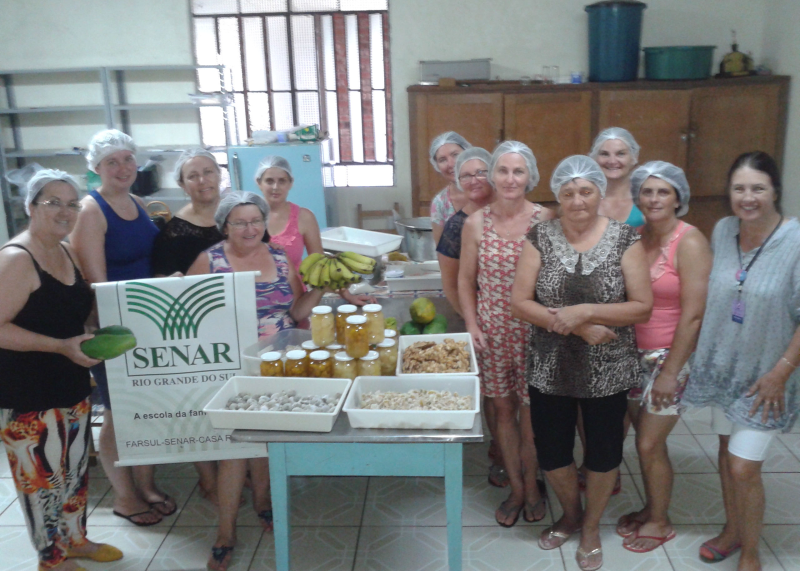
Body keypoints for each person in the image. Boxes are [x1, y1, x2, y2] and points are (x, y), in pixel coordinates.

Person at [511, 155, 652, 571]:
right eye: (568, 192)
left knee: (604, 453)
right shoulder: (540, 236)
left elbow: (642, 308)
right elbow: (519, 303)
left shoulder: (626, 239)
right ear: (557, 194)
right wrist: (574, 327)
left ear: (599, 193)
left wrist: (586, 311)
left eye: (586, 191)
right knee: (552, 452)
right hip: (550, 366)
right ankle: (571, 513)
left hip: (607, 368)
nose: (577, 201)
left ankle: (591, 526)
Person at [187, 191, 326, 571]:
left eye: (256, 221)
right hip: (231, 367)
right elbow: (186, 315)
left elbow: (295, 311)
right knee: (237, 451)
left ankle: (263, 503)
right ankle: (225, 532)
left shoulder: (280, 258)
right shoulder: (210, 260)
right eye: (240, 222)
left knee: (265, 444)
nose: (250, 229)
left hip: (277, 364)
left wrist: (321, 287)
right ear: (224, 226)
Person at [682, 152, 800, 571]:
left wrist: (780, 373)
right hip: (721, 367)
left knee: (743, 467)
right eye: (739, 188)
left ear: (775, 192)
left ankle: (751, 554)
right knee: (725, 453)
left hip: (767, 376)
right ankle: (732, 532)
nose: (747, 197)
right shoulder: (723, 229)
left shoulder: (795, 240)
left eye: (758, 188)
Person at [0, 170, 123, 571]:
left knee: (72, 474)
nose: (65, 211)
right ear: (30, 207)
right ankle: (52, 560)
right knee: (41, 483)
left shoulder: (66, 250)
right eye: (53, 202)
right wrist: (59, 347)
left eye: (72, 203)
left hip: (70, 385)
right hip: (27, 396)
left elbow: (73, 311)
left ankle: (76, 539)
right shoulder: (18, 258)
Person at [69, 129, 172, 527]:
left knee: (143, 408)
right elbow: (96, 284)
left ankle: (146, 485)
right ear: (96, 168)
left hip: (142, 320)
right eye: (112, 161)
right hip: (109, 327)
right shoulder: (90, 210)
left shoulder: (138, 203)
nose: (123, 167)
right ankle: (126, 497)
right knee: (116, 412)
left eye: (128, 158)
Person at [614, 161, 712, 553]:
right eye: (647, 191)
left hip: (671, 357)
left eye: (663, 192)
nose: (654, 199)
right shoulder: (637, 236)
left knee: (649, 444)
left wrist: (672, 372)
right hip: (633, 354)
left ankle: (660, 520)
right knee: (646, 440)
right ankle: (651, 507)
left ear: (678, 197)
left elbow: (694, 314)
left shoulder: (690, 241)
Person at [459, 141, 554, 528]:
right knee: (502, 411)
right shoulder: (475, 223)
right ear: (492, 176)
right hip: (492, 333)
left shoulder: (545, 219)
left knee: (532, 416)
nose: (510, 179)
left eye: (518, 171)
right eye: (503, 171)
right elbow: (466, 282)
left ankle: (532, 487)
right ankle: (515, 488)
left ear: (530, 175)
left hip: (535, 333)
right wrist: (472, 324)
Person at [151, 148, 225, 505]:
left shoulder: (237, 215)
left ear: (219, 175)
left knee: (232, 401)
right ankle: (207, 478)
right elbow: (161, 282)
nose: (202, 181)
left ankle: (234, 471)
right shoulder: (173, 232)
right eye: (193, 176)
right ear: (182, 184)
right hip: (194, 329)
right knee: (197, 404)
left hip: (236, 324)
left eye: (208, 172)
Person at [435, 147, 501, 484]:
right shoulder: (456, 225)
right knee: (495, 395)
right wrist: (477, 323)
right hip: (483, 325)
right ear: (457, 182)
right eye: (466, 175)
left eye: (481, 172)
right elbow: (452, 285)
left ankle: (529, 458)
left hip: (525, 321)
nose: (474, 180)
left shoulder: (515, 215)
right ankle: (501, 452)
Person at [256, 155, 373, 306]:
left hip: (296, 302)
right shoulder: (248, 218)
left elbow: (322, 265)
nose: (275, 187)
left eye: (282, 181)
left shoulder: (304, 217)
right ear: (259, 183)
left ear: (291, 183)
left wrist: (347, 295)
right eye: (269, 181)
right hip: (255, 301)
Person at [589, 127, 644, 227]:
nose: (612, 161)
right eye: (604, 154)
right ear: (594, 158)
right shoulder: (582, 198)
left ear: (633, 157)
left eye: (620, 154)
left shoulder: (645, 198)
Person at [428, 131, 472, 244]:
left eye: (455, 155)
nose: (451, 164)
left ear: (468, 153)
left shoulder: (491, 193)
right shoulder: (440, 203)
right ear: (436, 165)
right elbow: (442, 250)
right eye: (442, 160)